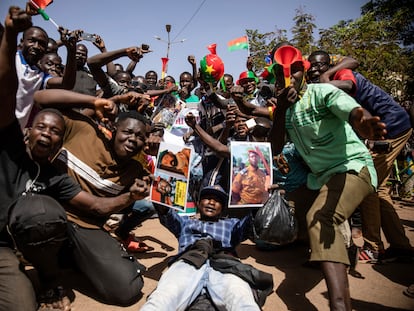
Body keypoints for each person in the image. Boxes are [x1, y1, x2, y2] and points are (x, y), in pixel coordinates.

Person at [0, 7, 148, 309]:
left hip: (84, 228)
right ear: (111, 128)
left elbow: (96, 206)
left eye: (140, 137)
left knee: (126, 290)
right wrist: (98, 100)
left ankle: (72, 260)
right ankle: (49, 274)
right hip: (46, 221)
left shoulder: (135, 168)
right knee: (40, 215)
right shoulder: (79, 130)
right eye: (127, 132)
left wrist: (130, 197)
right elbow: (40, 99)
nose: (132, 140)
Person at [269, 45, 386, 310]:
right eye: (280, 74)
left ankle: (339, 305)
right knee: (286, 207)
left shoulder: (322, 92)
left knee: (320, 219)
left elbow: (353, 112)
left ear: (303, 71)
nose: (287, 79)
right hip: (319, 179)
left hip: (352, 168)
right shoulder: (284, 108)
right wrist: (280, 112)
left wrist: (365, 123)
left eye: (294, 72)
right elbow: (275, 147)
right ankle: (339, 256)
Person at [307, 50, 414, 263]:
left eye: (320, 65)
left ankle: (374, 247)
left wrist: (320, 84)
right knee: (380, 189)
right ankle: (400, 246)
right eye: (312, 66)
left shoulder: (342, 75)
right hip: (384, 128)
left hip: (390, 126)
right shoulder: (332, 76)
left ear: (329, 65)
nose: (316, 69)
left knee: (367, 184)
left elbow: (347, 86)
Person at [140, 185, 273, 311]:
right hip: (188, 262)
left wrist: (263, 198)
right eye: (207, 198)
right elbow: (167, 214)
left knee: (243, 300)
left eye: (217, 200)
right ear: (198, 203)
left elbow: (250, 223)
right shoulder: (186, 222)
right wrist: (158, 193)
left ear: (223, 208)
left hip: (225, 265)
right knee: (162, 298)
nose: (211, 202)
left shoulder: (232, 224)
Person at [15, 9, 77, 130]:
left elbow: (67, 83)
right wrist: (25, 15)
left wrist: (71, 50)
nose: (36, 46)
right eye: (32, 40)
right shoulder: (11, 57)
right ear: (22, 42)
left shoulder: (41, 76)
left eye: (42, 44)